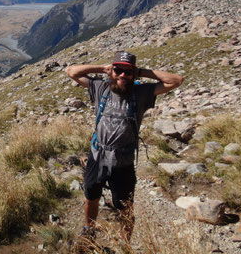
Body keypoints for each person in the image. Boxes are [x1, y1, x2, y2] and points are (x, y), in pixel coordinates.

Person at [65, 51, 183, 243]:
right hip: (97, 156)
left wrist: (142, 72)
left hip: (123, 161)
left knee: (125, 206)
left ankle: (125, 243)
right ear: (112, 71)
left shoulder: (141, 93)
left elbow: (176, 80)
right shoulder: (100, 87)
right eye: (118, 70)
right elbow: (71, 71)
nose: (122, 75)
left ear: (133, 75)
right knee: (91, 196)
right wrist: (102, 68)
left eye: (127, 72)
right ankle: (89, 231)